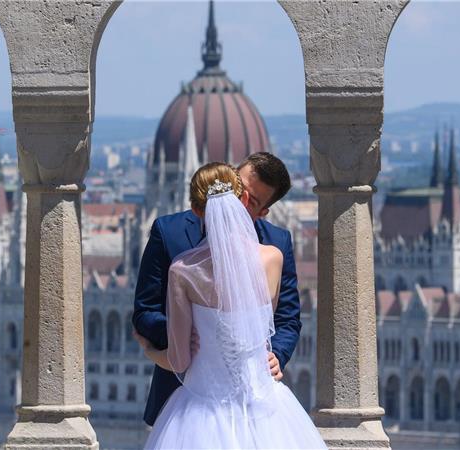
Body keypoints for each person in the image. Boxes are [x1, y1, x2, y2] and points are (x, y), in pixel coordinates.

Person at [136, 162, 325, 449]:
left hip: (199, 409)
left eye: (255, 200)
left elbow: (284, 320)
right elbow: (262, 322)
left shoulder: (183, 270)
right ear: (237, 189)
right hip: (265, 408)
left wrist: (150, 348)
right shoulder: (271, 257)